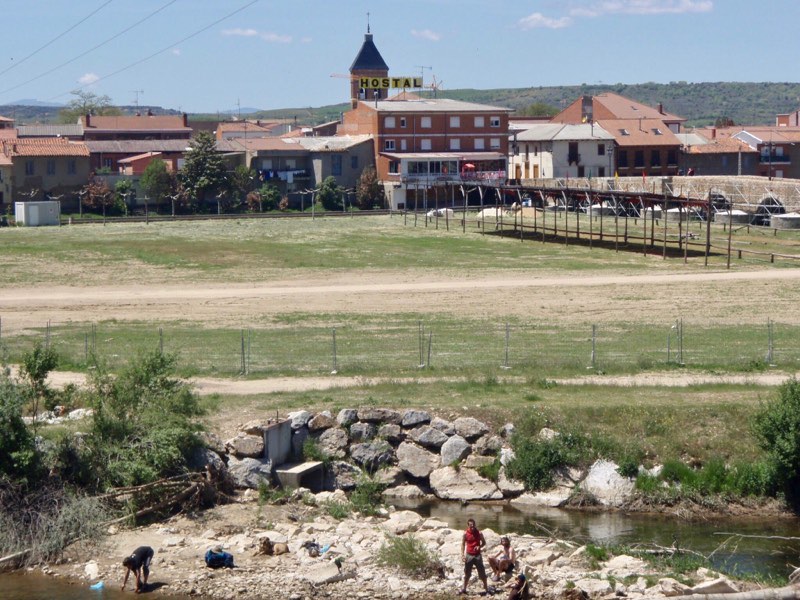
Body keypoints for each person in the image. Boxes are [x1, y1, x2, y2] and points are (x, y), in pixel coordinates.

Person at [460, 518, 492, 595]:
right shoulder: (465, 533)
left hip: (477, 555)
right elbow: (463, 544)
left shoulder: (479, 533)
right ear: (468, 525)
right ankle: (464, 589)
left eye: (473, 524)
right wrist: (462, 555)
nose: (472, 526)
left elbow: (484, 542)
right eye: (471, 525)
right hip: (469, 555)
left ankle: (486, 589)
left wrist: (479, 546)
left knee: (482, 573)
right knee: (467, 573)